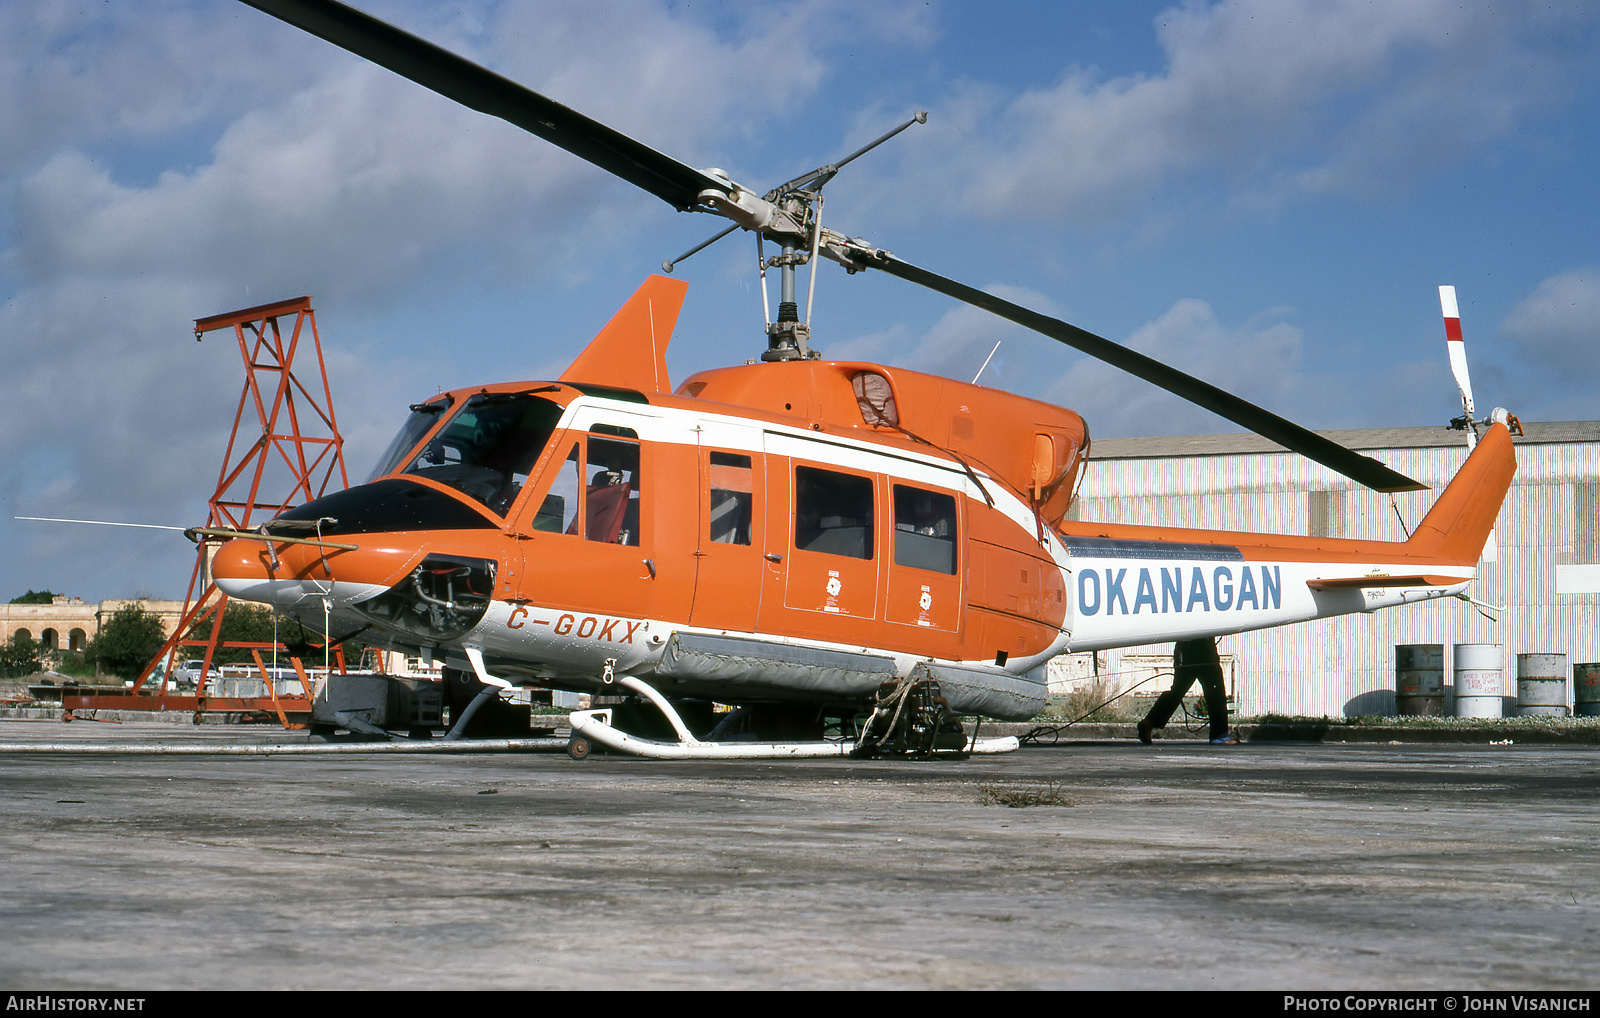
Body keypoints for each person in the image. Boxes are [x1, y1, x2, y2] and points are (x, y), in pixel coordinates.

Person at [1137, 637, 1239, 744]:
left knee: (1177, 692)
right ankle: (1219, 736)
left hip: (1185, 650)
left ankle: (1150, 722)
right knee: (1216, 694)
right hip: (1204, 650)